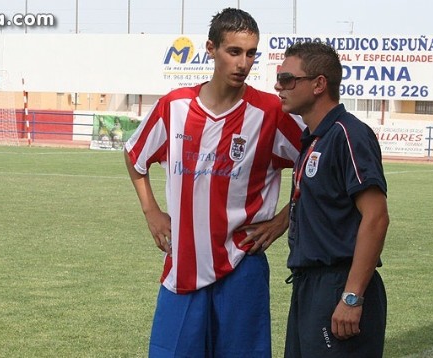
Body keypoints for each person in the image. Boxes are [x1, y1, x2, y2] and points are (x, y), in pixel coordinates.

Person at [124, 8, 303, 357]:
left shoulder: (269, 113)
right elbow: (134, 157)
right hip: (185, 260)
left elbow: (315, 167)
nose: (243, 63)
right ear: (211, 48)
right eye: (234, 51)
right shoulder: (175, 106)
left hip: (243, 261)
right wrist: (151, 212)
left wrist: (284, 219)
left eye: (251, 53)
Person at [275, 41, 390, 358]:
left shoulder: (348, 134)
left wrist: (351, 297)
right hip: (309, 286)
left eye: (287, 79)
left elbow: (376, 217)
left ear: (318, 84)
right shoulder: (316, 138)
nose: (278, 86)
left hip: (339, 284)